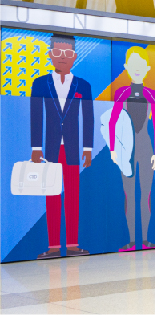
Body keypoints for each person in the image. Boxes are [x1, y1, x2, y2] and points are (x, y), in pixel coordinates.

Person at [30, 34, 94, 259]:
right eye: (57, 53)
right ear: (50, 55)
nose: (62, 58)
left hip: (73, 149)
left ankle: (73, 244)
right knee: (52, 194)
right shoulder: (40, 84)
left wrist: (87, 148)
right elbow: (36, 116)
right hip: (50, 148)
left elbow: (88, 118)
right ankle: (54, 247)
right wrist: (35, 147)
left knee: (73, 194)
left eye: (67, 54)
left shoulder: (83, 86)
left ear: (75, 56)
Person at [109, 46, 155, 251]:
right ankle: (131, 240)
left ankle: (146, 239)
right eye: (133, 65)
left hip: (146, 146)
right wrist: (114, 149)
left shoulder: (151, 94)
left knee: (145, 194)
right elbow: (113, 121)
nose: (137, 69)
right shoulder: (122, 93)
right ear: (126, 67)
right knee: (129, 194)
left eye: (141, 65)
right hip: (127, 149)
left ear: (147, 68)